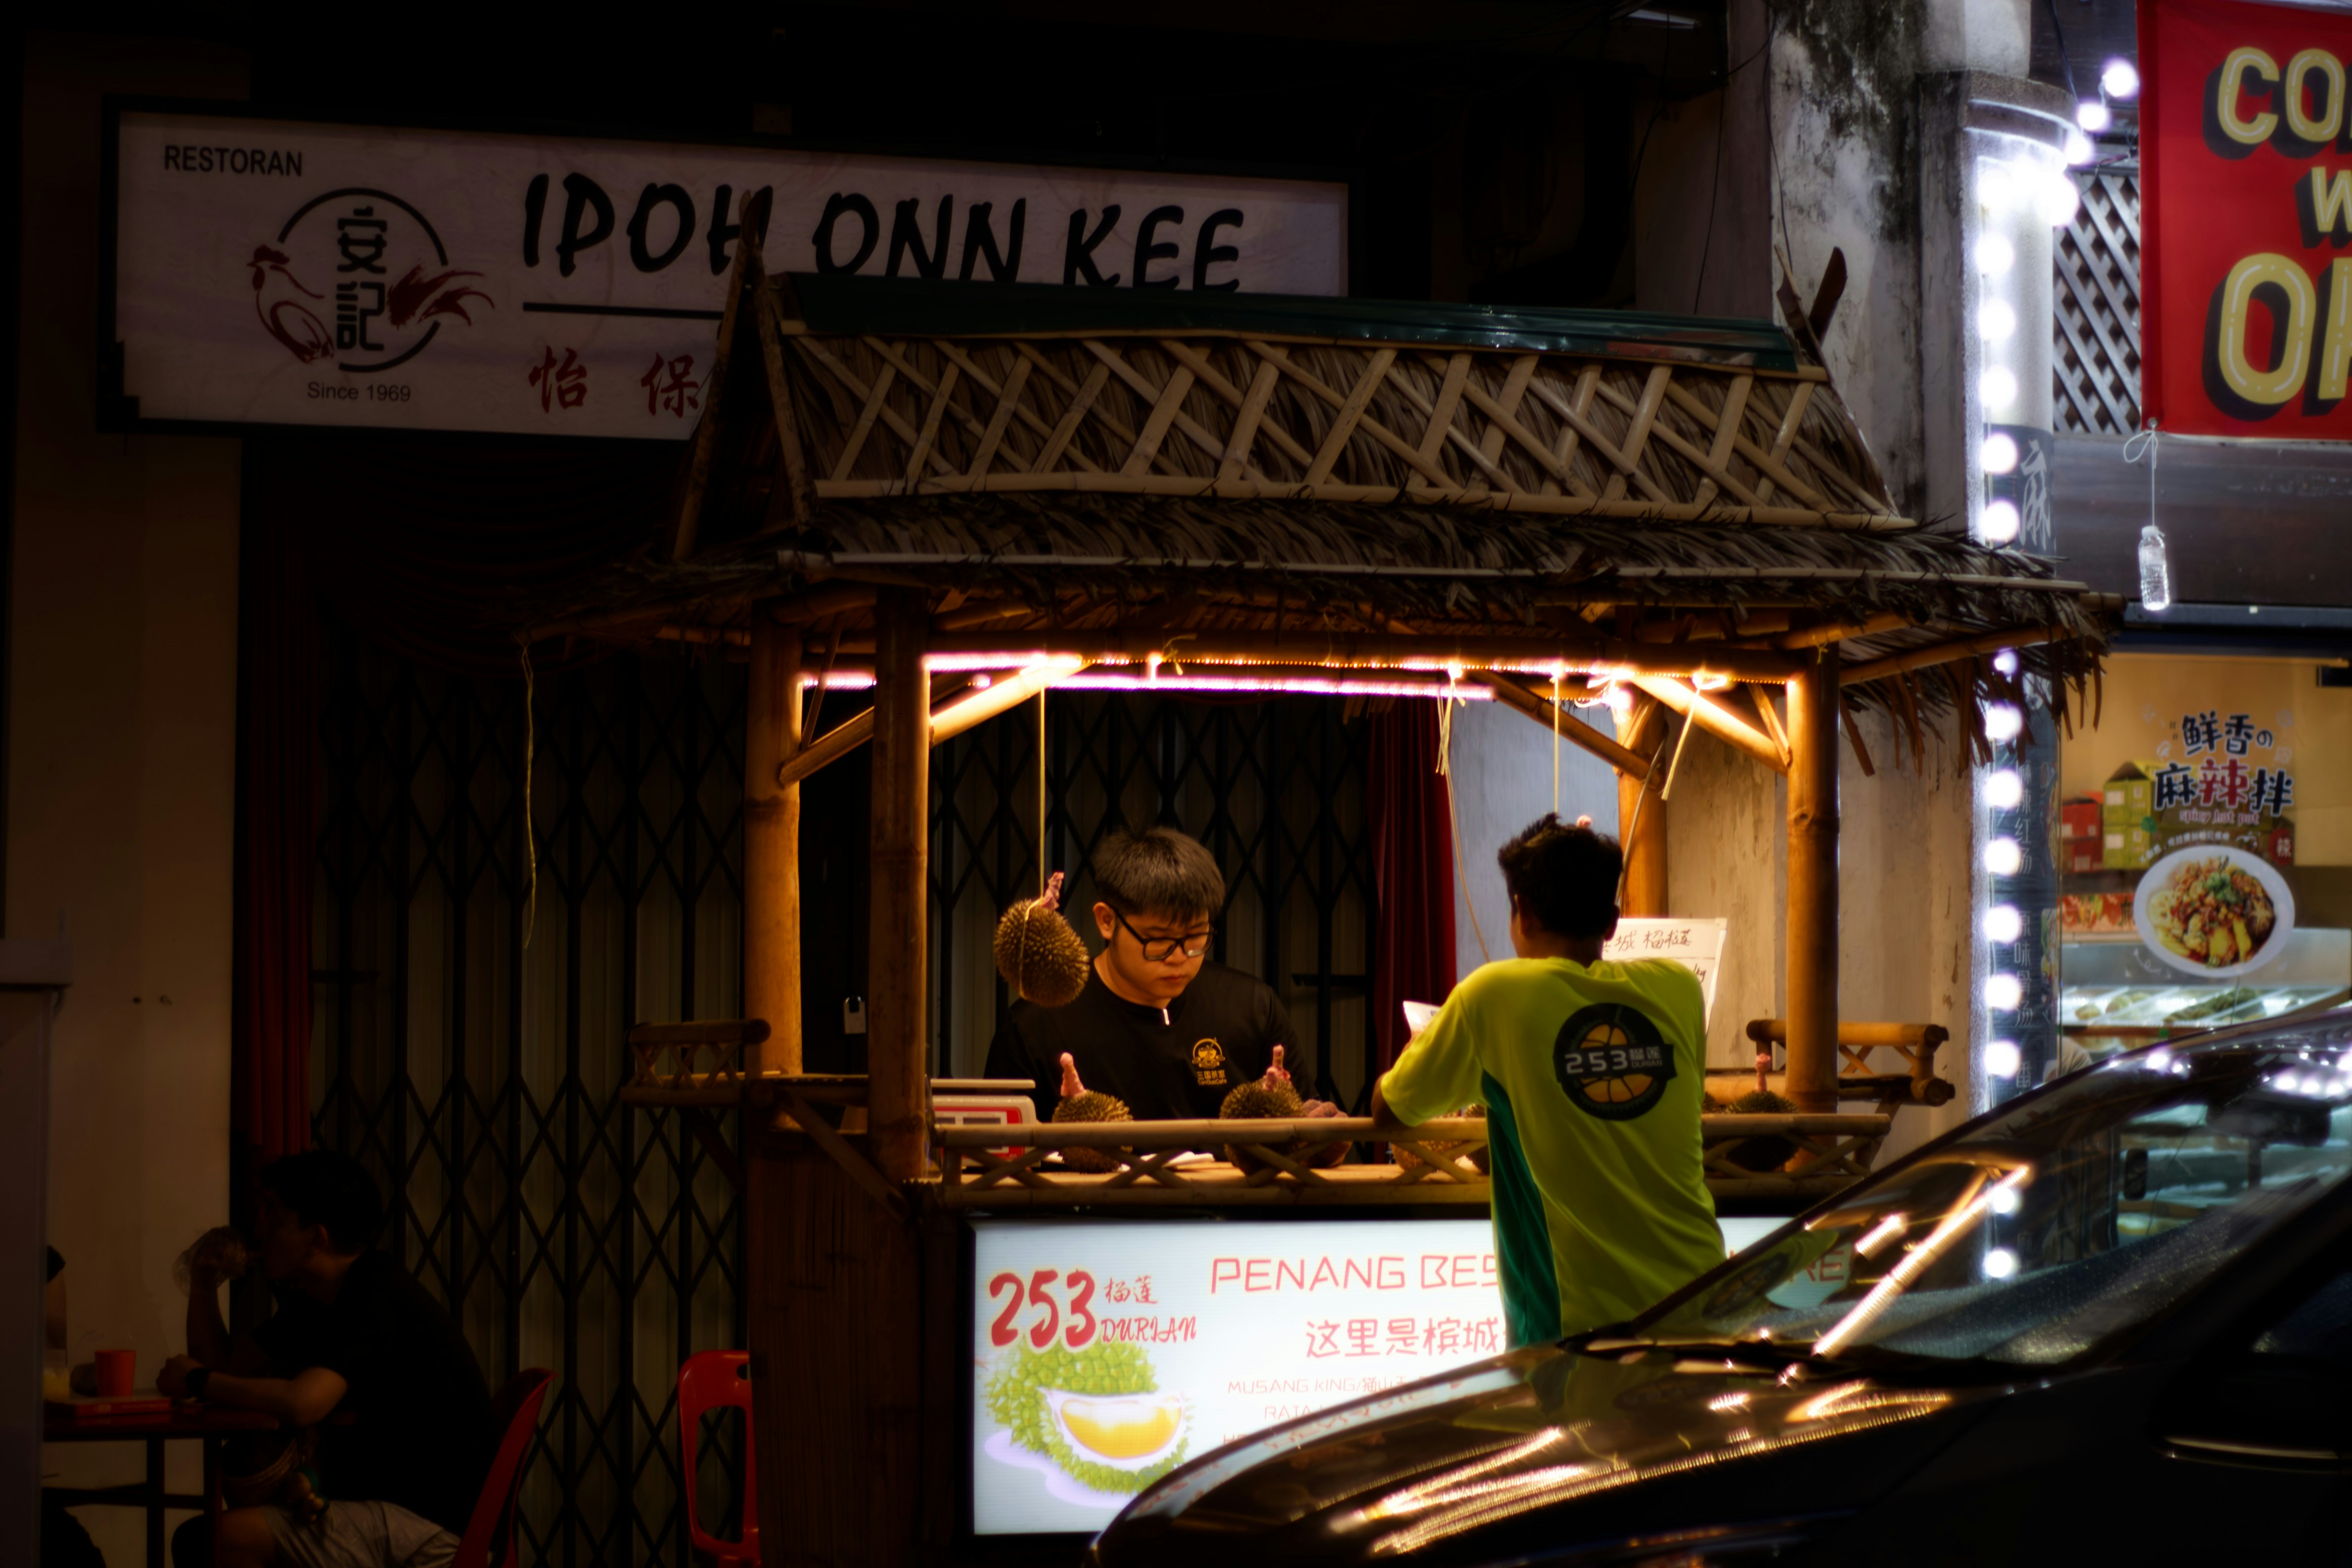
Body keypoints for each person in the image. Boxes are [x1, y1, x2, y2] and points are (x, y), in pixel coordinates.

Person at [1371, 813, 1721, 1348]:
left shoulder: (1494, 994)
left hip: (1578, 1339)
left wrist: (1432, 1034)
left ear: (1524, 914)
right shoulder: (1677, 987)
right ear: (1612, 922)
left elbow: (1389, 1111)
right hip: (1703, 1310)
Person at [161, 1151, 495, 1568]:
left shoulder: (374, 1292)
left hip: (434, 1526)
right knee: (207, 1537)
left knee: (210, 1541)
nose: (258, 1227)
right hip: (382, 1508)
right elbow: (226, 1367)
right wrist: (203, 1281)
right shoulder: (318, 1300)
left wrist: (197, 1381)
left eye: (275, 1216)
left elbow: (305, 1402)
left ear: (317, 1238)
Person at [986, 826, 1343, 1136]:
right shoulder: (1035, 1027)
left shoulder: (1251, 1007)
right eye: (1158, 941)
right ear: (1107, 921)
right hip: (1093, 1215)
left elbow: (1305, 1127)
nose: (1179, 957)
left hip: (1230, 1215)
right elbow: (996, 1163)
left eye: (1196, 939)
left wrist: (1319, 1136)